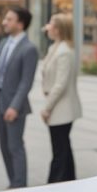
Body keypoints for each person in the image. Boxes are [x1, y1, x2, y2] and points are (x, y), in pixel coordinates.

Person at [0, 6, 38, 188]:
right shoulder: (4, 43)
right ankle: (13, 183)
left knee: (15, 147)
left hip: (15, 106)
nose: (4, 22)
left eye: (9, 19)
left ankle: (20, 186)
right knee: (4, 147)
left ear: (20, 24)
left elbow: (25, 83)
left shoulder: (29, 49)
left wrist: (14, 107)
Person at [40, 13, 82, 183]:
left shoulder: (64, 52)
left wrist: (47, 108)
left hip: (61, 109)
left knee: (59, 150)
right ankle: (69, 180)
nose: (47, 27)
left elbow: (60, 85)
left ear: (58, 30)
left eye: (51, 24)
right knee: (63, 147)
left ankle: (54, 183)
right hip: (58, 106)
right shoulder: (55, 48)